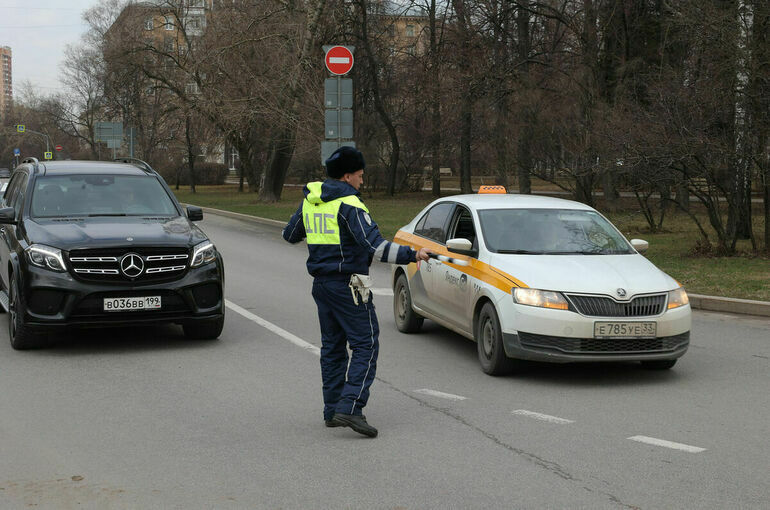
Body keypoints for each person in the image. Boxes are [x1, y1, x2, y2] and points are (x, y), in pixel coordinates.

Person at [282, 146, 431, 438]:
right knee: (367, 344)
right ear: (348, 176)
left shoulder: (311, 201)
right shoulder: (350, 204)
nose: (363, 182)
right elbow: (376, 247)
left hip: (321, 285)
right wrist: (414, 255)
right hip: (349, 284)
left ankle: (332, 410)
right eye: (360, 176)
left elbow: (289, 235)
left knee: (333, 348)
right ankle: (350, 406)